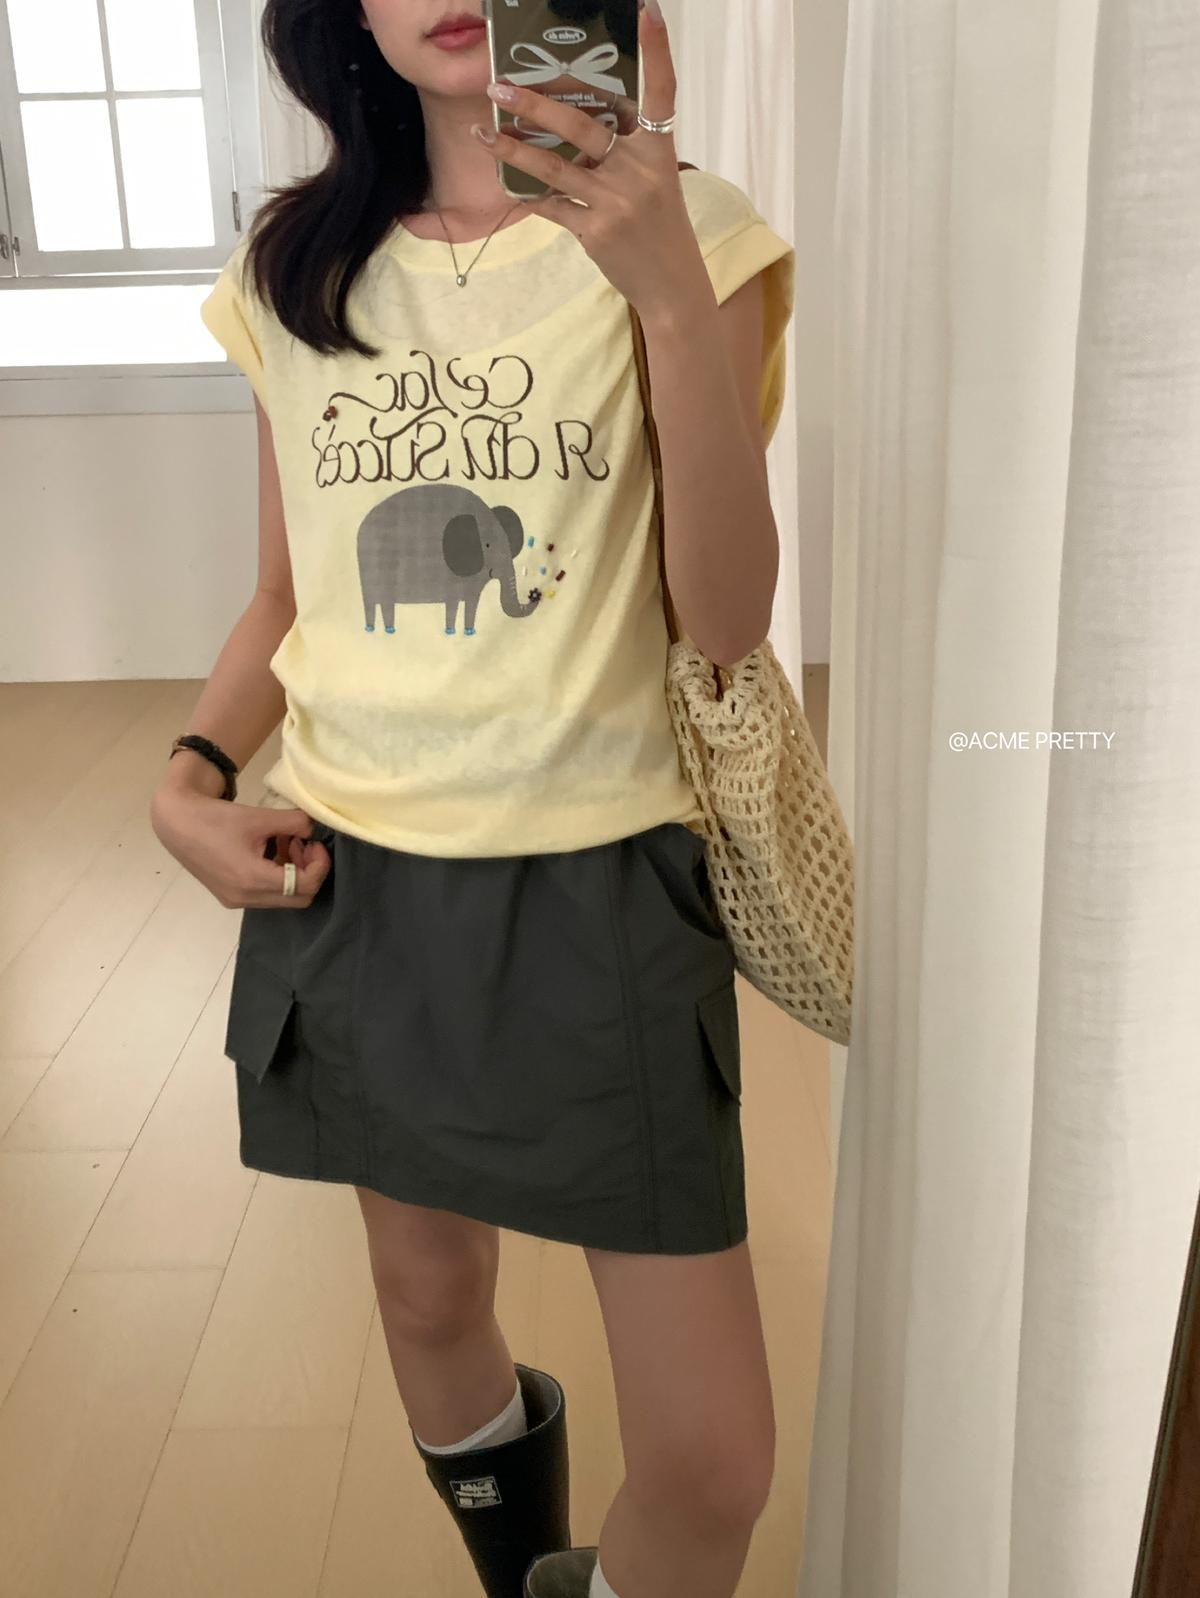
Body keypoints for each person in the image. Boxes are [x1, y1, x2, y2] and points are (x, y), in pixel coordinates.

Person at [151, 2, 795, 1595]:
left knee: (714, 1457)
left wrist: (664, 295)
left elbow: (723, 622)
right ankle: (520, 1573)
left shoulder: (693, 235)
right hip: (355, 878)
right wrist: (191, 776)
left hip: (602, 885)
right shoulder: (295, 268)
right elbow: (285, 596)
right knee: (429, 1298)